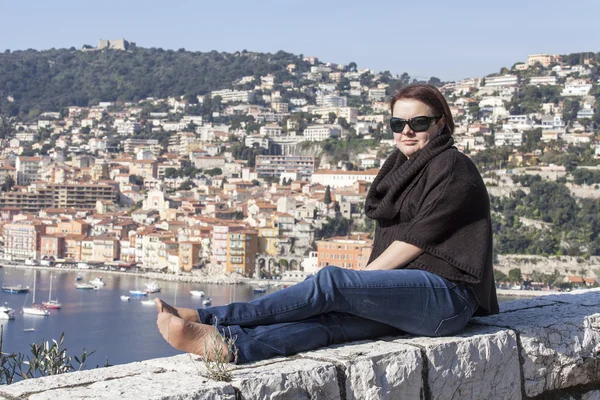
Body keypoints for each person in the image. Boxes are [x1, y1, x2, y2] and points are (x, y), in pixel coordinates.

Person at [155, 84, 499, 364]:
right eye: (398, 124)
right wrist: (362, 290)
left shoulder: (452, 167)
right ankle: (230, 346)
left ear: (440, 123)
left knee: (331, 284)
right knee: (331, 324)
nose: (407, 131)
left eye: (419, 123)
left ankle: (213, 318)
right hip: (418, 296)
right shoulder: (401, 171)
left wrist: (357, 284)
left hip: (449, 297)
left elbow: (416, 240)